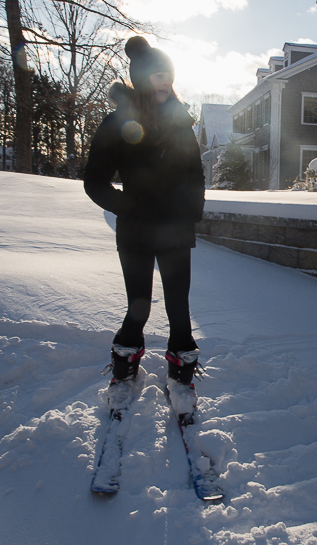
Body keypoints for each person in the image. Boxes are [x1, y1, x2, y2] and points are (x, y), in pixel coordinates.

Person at [83, 36, 205, 421]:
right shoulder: (118, 122)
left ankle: (181, 379)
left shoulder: (181, 122)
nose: (165, 80)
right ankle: (124, 374)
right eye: (157, 74)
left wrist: (190, 213)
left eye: (169, 73)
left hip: (174, 230)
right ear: (140, 77)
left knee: (179, 308)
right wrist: (128, 207)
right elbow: (94, 181)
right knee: (138, 306)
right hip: (135, 232)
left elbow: (195, 176)